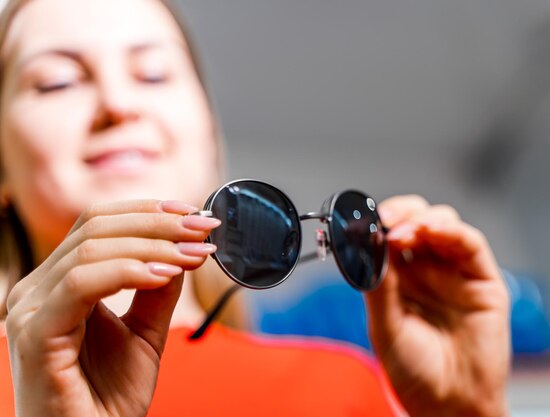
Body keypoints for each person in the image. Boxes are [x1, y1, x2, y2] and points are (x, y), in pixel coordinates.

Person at [0, 0, 511, 415]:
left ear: (207, 136)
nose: (117, 103)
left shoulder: (339, 388)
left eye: (154, 74)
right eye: (57, 82)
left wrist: (466, 413)